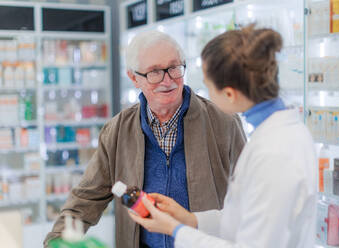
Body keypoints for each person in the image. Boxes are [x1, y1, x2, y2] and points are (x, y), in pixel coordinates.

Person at [43, 31, 246, 248]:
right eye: (154, 72)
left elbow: (249, 195)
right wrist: (57, 240)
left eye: (174, 68)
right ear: (134, 78)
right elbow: (86, 199)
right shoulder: (117, 130)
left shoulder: (223, 121)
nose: (167, 80)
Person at [129, 24, 317, 248]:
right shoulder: (273, 135)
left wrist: (175, 230)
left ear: (229, 93)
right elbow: (245, 217)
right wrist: (191, 219)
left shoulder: (275, 153)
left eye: (208, 86)